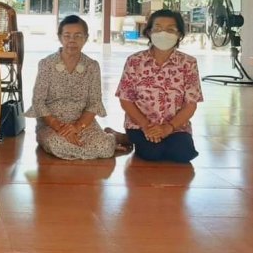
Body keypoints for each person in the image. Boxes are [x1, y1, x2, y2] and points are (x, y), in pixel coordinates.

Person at [25, 15, 127, 160]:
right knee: (58, 145)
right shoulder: (46, 64)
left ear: (85, 38)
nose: (72, 40)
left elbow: (94, 102)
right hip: (52, 125)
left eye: (78, 36)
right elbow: (38, 102)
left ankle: (110, 138)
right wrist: (60, 128)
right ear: (60, 37)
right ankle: (103, 142)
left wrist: (77, 127)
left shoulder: (92, 66)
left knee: (105, 148)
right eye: (67, 35)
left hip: (84, 124)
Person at [115, 9, 202, 163]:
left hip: (176, 127)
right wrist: (146, 125)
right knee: (152, 154)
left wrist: (168, 128)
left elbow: (191, 105)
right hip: (140, 125)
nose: (163, 33)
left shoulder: (188, 63)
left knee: (183, 154)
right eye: (158, 28)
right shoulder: (135, 61)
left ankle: (126, 138)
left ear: (179, 35)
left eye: (170, 29)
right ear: (149, 32)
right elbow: (125, 100)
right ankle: (126, 137)